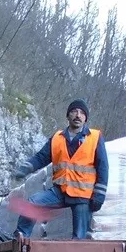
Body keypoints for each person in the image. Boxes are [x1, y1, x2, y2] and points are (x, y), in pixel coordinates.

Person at [13, 99, 108, 240]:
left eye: (82, 113)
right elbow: (41, 157)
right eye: (74, 111)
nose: (78, 115)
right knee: (33, 203)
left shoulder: (94, 137)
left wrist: (99, 194)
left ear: (86, 118)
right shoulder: (57, 138)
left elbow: (103, 167)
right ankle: (21, 236)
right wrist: (26, 168)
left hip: (82, 195)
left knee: (79, 238)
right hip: (59, 192)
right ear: (68, 115)